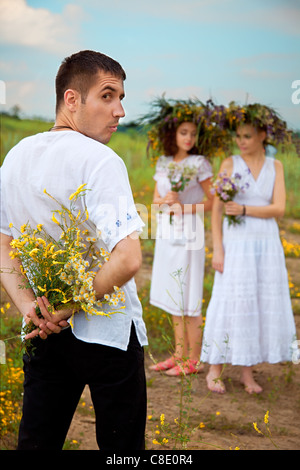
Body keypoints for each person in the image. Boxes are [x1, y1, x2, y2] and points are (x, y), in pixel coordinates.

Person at [0, 50, 148, 450]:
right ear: (71, 99)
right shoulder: (100, 160)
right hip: (106, 331)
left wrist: (32, 308)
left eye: (121, 97)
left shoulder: (15, 158)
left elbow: (3, 244)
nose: (120, 110)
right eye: (107, 96)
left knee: (37, 441)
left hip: (44, 329)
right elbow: (129, 257)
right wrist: (69, 307)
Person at [200, 104, 297, 394]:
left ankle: (247, 371)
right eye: (238, 136)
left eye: (247, 136)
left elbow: (279, 208)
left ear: (263, 135)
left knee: (256, 304)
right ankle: (214, 368)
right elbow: (217, 210)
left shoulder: (275, 166)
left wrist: (244, 208)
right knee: (229, 300)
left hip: (266, 244)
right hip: (236, 244)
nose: (241, 141)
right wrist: (218, 248)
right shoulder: (230, 163)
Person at [145, 99, 213, 376]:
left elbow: (213, 201)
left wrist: (184, 207)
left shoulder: (200, 162)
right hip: (166, 233)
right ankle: (178, 354)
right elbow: (154, 202)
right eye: (183, 132)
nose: (188, 138)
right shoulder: (163, 162)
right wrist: (167, 200)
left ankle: (193, 360)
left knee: (189, 293)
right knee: (172, 292)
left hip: (190, 234)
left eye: (193, 133)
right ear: (172, 134)